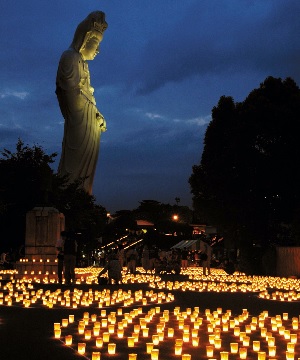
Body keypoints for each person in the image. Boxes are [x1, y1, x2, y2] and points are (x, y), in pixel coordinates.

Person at [56, 11, 108, 194]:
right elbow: (73, 97)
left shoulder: (82, 63)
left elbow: (86, 95)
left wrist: (97, 115)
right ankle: (70, 196)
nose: (98, 50)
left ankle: (82, 198)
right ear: (85, 40)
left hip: (87, 121)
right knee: (73, 168)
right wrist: (91, 113)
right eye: (96, 44)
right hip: (79, 122)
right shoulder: (70, 57)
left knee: (85, 176)